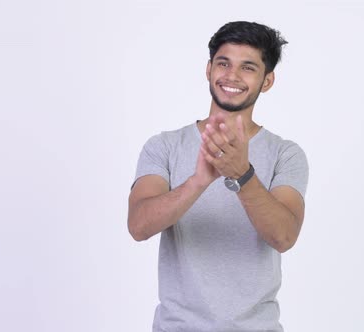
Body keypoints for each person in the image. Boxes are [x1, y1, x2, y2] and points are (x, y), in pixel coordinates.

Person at [128, 21, 309, 332]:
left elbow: (284, 236)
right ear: (209, 69)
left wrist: (242, 174)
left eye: (248, 67)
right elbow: (139, 226)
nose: (232, 76)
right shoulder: (165, 146)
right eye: (223, 63)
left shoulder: (286, 154)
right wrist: (198, 180)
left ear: (267, 81)